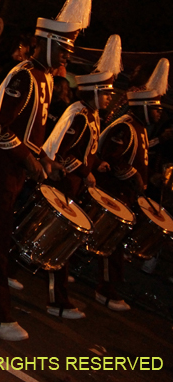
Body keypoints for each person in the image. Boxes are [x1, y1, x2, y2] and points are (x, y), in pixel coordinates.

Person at [0, 0, 91, 340]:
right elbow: (1, 128)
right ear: (45, 43)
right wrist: (26, 157)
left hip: (15, 174)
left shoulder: (45, 80)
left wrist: (42, 160)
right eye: (63, 47)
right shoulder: (26, 76)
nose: (66, 55)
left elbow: (29, 132)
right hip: (1, 170)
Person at [41, 35, 122, 319]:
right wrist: (85, 171)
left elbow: (84, 151)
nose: (111, 98)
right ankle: (58, 301)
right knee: (60, 239)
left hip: (75, 185)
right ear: (94, 92)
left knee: (58, 239)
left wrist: (96, 164)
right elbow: (60, 152)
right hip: (64, 183)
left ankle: (20, 267)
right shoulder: (77, 113)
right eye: (108, 93)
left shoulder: (91, 116)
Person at [95, 58, 168, 311]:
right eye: (156, 108)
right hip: (114, 193)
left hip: (125, 194)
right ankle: (105, 289)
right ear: (145, 106)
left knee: (108, 241)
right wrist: (133, 175)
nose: (159, 113)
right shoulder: (126, 125)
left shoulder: (140, 129)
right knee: (109, 242)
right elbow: (111, 157)